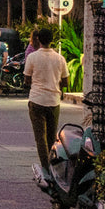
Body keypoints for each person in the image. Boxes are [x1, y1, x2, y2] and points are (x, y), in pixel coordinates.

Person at [23, 26, 69, 175]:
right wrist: (54, 84)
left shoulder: (32, 57)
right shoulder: (60, 58)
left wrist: (38, 82)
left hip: (36, 100)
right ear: (52, 40)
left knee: (40, 138)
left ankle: (46, 167)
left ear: (38, 40)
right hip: (54, 101)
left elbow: (27, 79)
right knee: (51, 136)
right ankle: (53, 166)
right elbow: (66, 82)